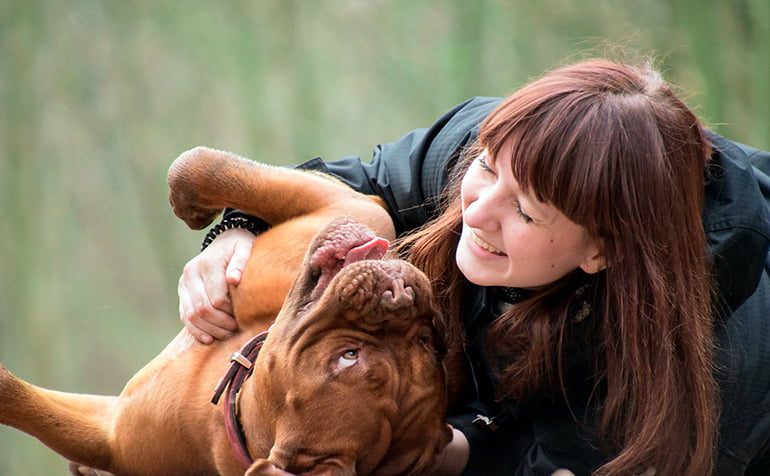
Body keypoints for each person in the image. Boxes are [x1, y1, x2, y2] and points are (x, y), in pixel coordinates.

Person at [177, 59, 770, 475]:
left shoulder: (681, 384)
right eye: (486, 168)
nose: (476, 211)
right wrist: (236, 229)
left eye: (527, 213)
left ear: (603, 251)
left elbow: (538, 459)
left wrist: (440, 451)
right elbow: (369, 183)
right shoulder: (508, 146)